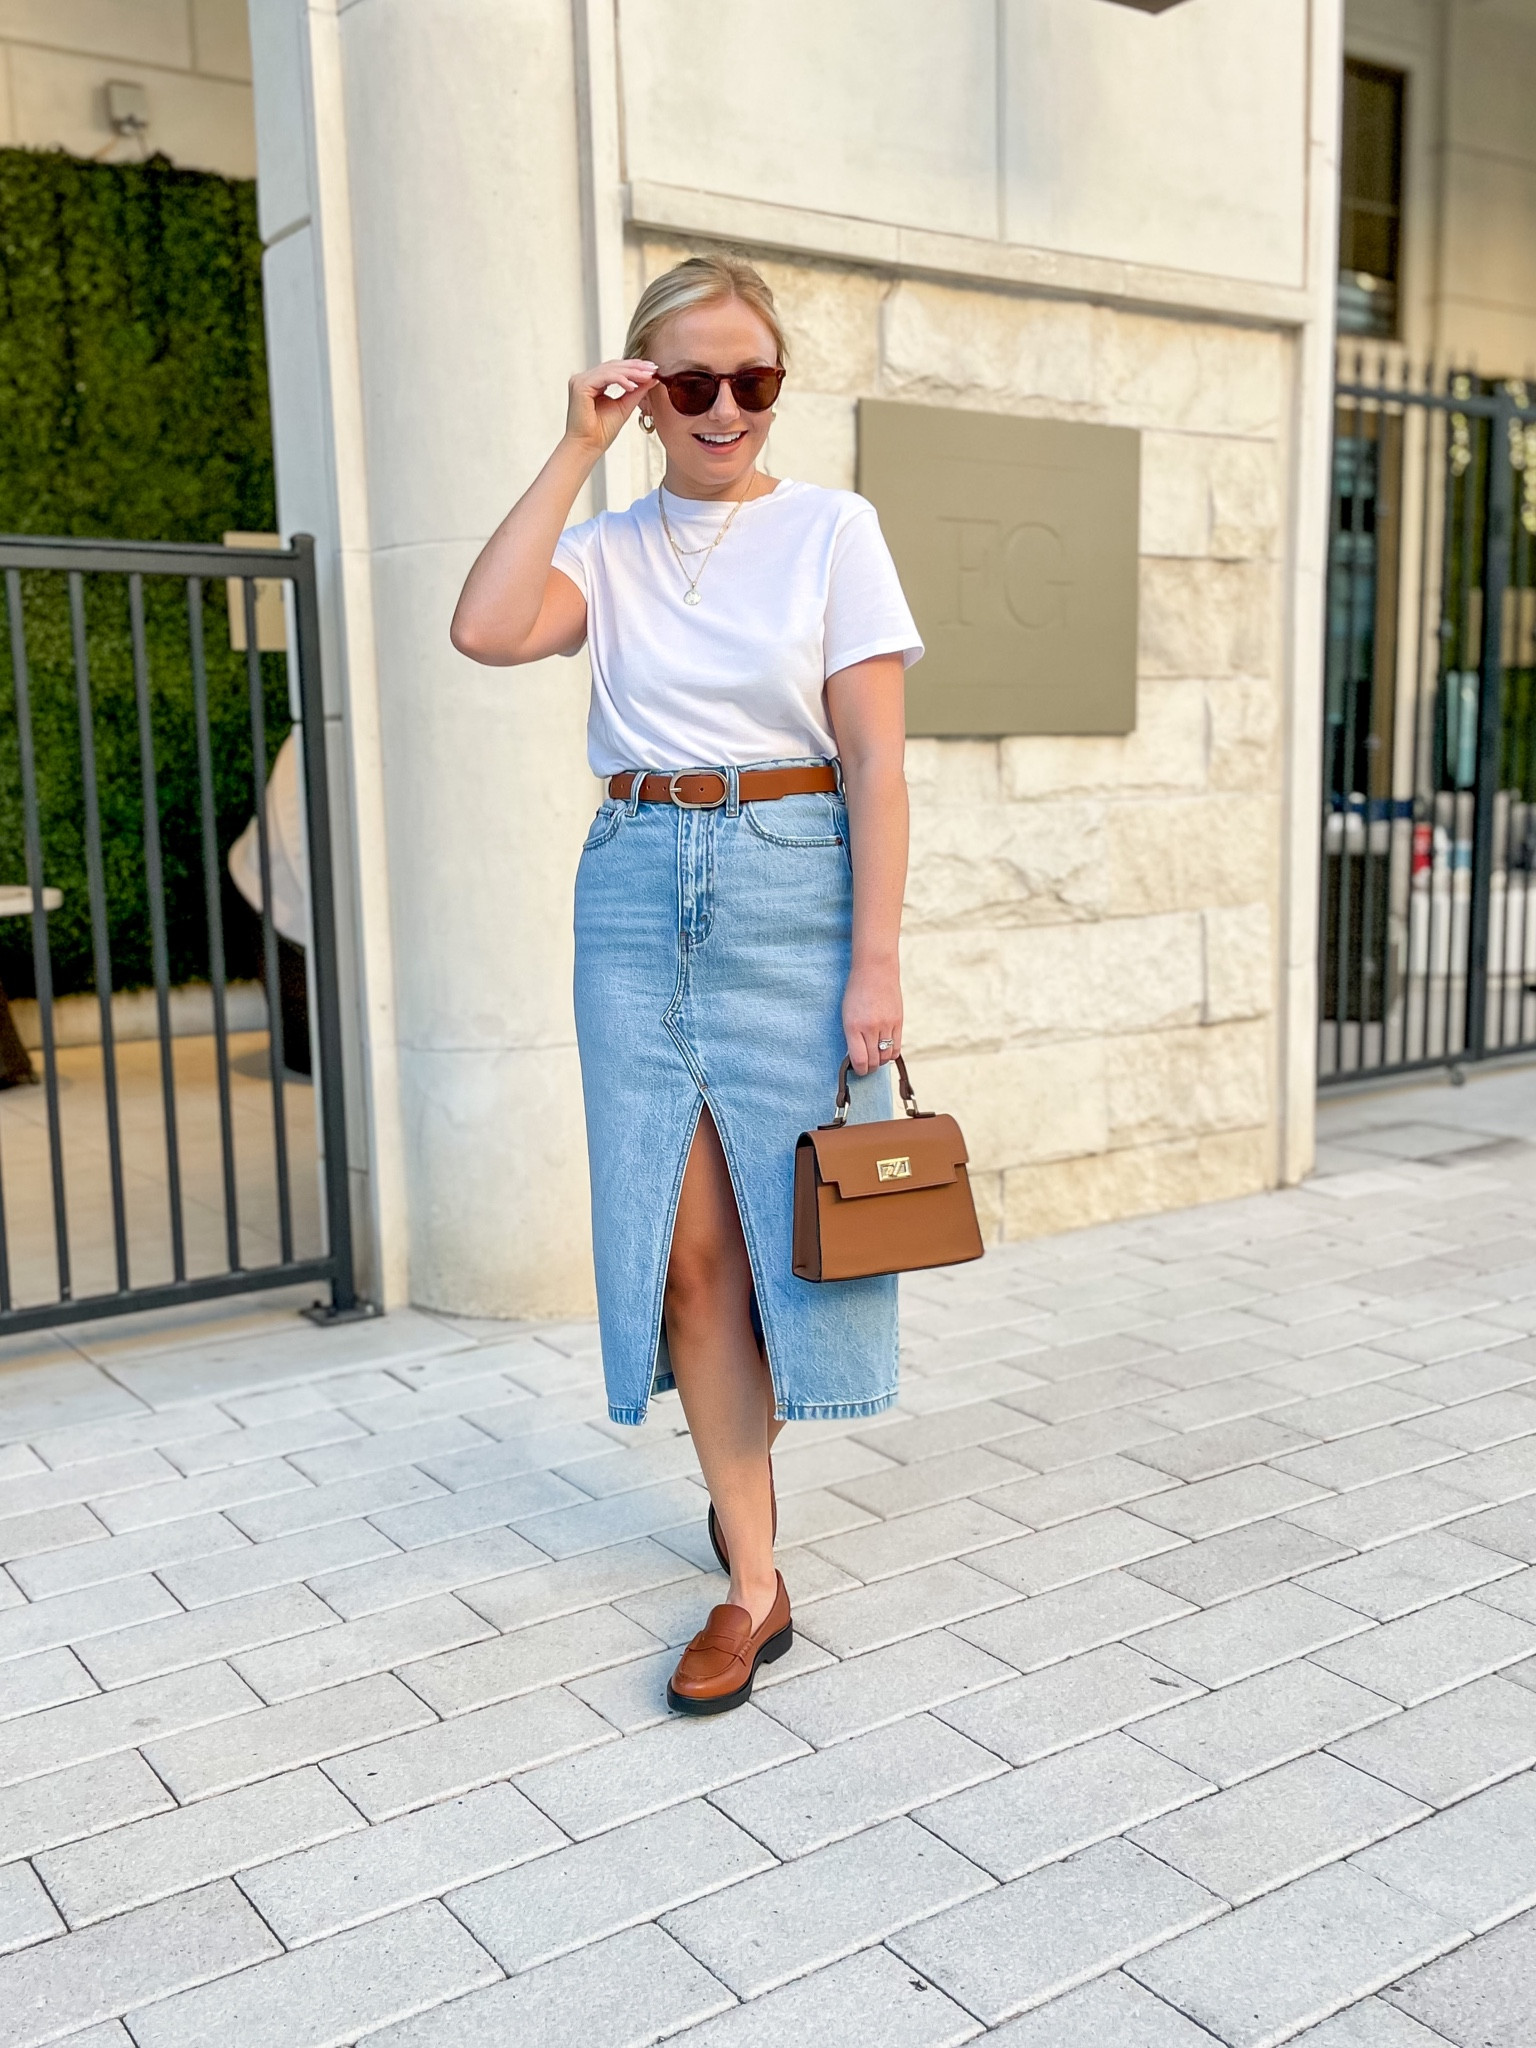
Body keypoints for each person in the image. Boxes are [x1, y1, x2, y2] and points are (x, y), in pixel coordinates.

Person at [451, 253, 922, 1714]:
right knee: (684, 1249)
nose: (729, 407)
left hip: (792, 872)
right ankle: (756, 1580)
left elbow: (879, 767)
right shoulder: (606, 542)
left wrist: (877, 961)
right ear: (652, 391)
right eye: (696, 382)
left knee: (787, 1238)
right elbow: (482, 626)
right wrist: (578, 443)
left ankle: (746, 1502)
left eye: (756, 380)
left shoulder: (837, 530)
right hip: (638, 877)